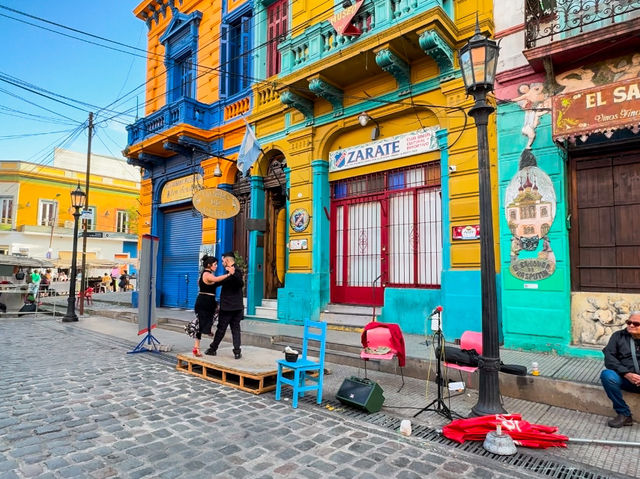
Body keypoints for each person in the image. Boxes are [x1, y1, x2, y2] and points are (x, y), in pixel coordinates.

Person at [600, 311, 640, 428]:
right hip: (626, 379)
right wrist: (627, 374)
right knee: (607, 376)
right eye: (629, 322)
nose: (631, 325)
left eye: (636, 324)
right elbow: (609, 358)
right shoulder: (618, 336)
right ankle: (624, 414)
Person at [205, 251, 244, 359]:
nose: (222, 263)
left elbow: (240, 283)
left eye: (222, 261)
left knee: (226, 329)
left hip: (230, 307)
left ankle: (234, 351)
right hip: (233, 306)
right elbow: (218, 282)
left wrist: (233, 273)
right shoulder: (228, 272)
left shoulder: (237, 271)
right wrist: (205, 282)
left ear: (227, 260)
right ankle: (215, 349)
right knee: (229, 329)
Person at [191, 256, 227, 357]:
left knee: (206, 320)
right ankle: (197, 347)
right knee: (200, 324)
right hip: (204, 301)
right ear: (209, 265)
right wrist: (228, 274)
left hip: (209, 301)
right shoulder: (207, 274)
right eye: (215, 264)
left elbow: (216, 282)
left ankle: (206, 330)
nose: (216, 266)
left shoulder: (206, 274)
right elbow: (216, 279)